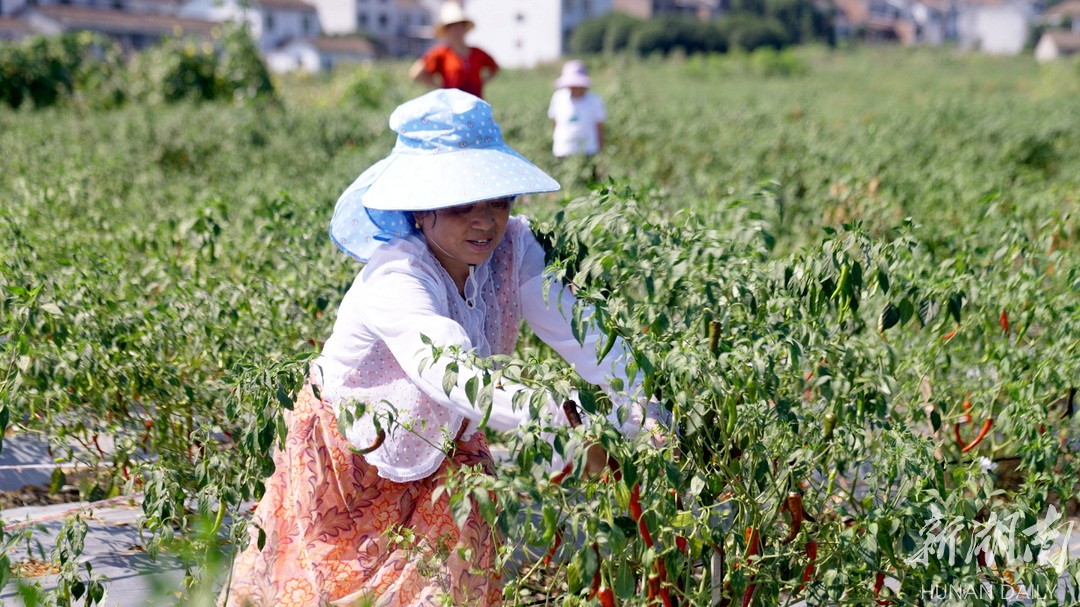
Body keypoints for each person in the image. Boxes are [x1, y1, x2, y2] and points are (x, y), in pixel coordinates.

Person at [224, 89, 663, 607]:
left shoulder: (513, 249)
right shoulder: (398, 277)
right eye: (461, 207)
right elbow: (454, 376)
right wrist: (573, 419)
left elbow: (578, 329)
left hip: (450, 439)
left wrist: (643, 401)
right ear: (419, 212)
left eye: (497, 201)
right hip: (356, 453)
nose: (485, 221)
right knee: (339, 589)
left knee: (454, 582)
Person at [409, 1, 499, 99]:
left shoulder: (478, 52)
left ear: (464, 28)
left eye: (459, 26)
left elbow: (495, 68)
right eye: (452, 27)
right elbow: (415, 72)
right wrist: (438, 86)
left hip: (475, 104)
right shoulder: (441, 53)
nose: (456, 30)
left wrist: (482, 82)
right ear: (447, 31)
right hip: (452, 105)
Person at [548, 60, 607, 158]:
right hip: (563, 151)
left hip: (588, 151)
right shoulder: (558, 98)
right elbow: (554, 122)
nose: (575, 88)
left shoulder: (594, 100)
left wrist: (601, 153)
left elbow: (600, 127)